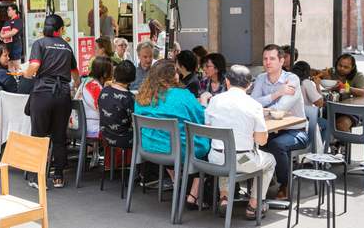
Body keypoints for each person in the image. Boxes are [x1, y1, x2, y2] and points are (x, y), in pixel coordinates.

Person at [134, 60, 210, 206]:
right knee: (209, 145)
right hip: (176, 150)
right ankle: (193, 195)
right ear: (172, 76)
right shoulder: (182, 95)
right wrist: (204, 102)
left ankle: (177, 182)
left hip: (149, 148)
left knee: (168, 139)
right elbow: (200, 118)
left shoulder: (141, 97)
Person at [205, 65, 276, 219]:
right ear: (249, 85)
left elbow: (208, 127)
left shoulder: (215, 100)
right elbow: (261, 141)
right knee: (270, 160)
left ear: (227, 81)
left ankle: (224, 198)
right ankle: (254, 205)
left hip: (216, 159)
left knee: (226, 153)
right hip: (243, 160)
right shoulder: (254, 105)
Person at [23, 14, 80, 188]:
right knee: (59, 137)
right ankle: (58, 176)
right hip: (62, 96)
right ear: (60, 29)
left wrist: (25, 73)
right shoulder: (67, 47)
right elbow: (76, 77)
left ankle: (35, 177)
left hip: (43, 94)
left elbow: (33, 67)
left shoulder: (39, 44)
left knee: (38, 136)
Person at [250, 44, 307, 200]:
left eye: (272, 58)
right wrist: (277, 94)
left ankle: (285, 184)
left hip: (295, 131)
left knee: (276, 145)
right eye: (265, 59)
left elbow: (280, 110)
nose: (268, 62)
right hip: (269, 129)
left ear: (282, 61)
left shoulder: (292, 79)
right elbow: (252, 102)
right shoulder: (261, 78)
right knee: (250, 140)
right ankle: (256, 183)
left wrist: (264, 106)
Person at [317, 53, 364, 132]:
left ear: (352, 67)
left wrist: (345, 87)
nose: (341, 68)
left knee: (341, 125)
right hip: (330, 108)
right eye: (339, 65)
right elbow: (315, 75)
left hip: (351, 111)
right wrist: (319, 74)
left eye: (346, 67)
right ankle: (327, 142)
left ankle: (344, 143)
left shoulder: (358, 76)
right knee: (315, 121)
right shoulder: (331, 72)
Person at [99, 59, 136, 149]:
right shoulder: (129, 97)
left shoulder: (104, 90)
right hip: (124, 140)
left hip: (105, 136)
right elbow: (134, 121)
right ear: (132, 78)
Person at [292, 60, 327, 144]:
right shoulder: (306, 83)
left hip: (291, 117)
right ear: (306, 72)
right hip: (305, 118)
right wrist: (317, 85)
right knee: (326, 124)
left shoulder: (290, 80)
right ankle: (319, 148)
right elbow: (320, 103)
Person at [79, 56, 113, 139]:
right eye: (111, 71)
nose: (112, 74)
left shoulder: (86, 81)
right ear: (105, 74)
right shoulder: (95, 87)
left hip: (80, 125)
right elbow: (105, 110)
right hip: (92, 128)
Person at [0, 4, 23, 71]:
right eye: (7, 10)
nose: (8, 12)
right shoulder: (7, 22)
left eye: (9, 10)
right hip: (8, 46)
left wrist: (3, 36)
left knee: (17, 65)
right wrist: (1, 36)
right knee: (9, 65)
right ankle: (11, 80)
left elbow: (13, 32)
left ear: (14, 10)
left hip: (16, 45)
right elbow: (2, 31)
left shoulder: (18, 21)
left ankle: (18, 79)